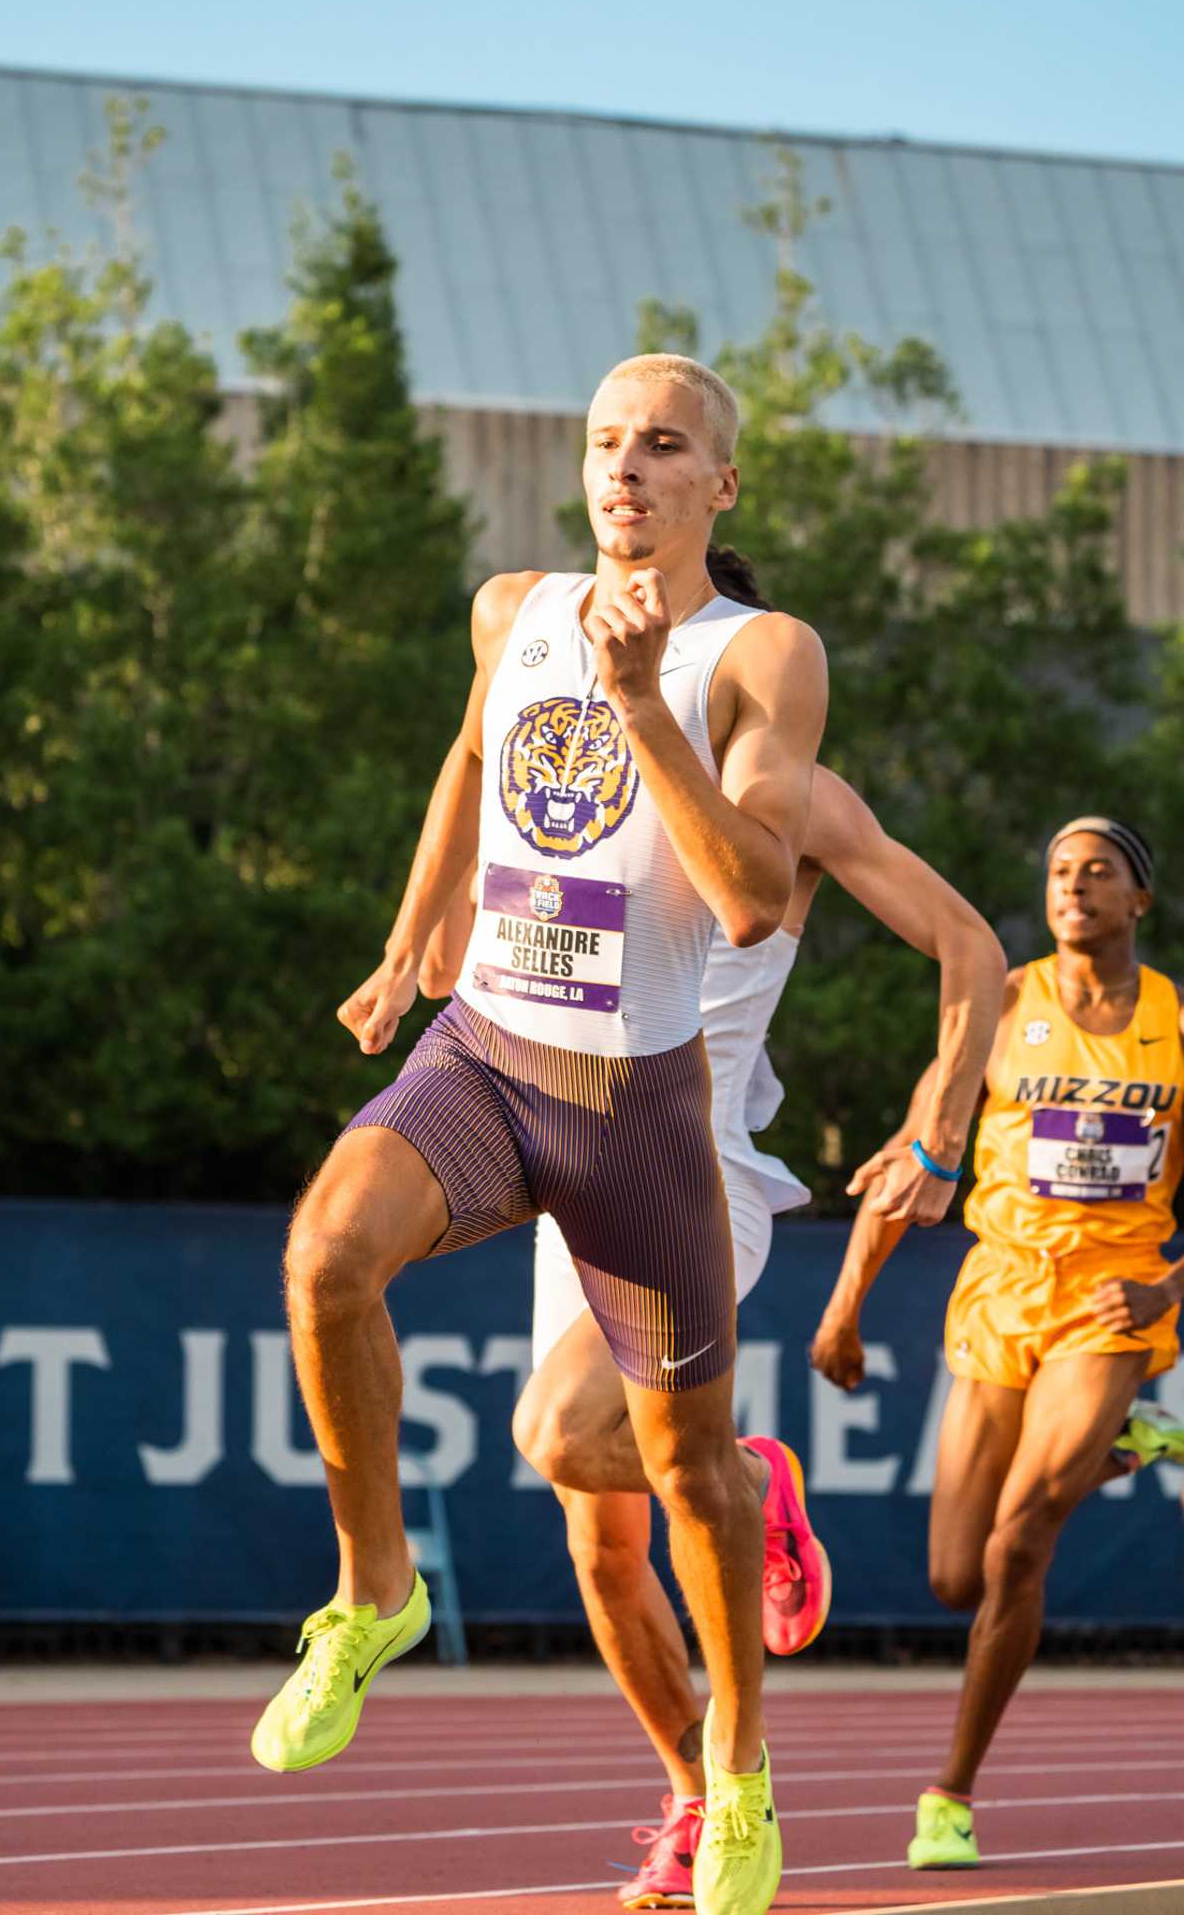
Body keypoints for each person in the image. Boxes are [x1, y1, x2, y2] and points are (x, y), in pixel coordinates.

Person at [251, 352, 829, 1915]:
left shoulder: (754, 654)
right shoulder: (512, 610)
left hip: (639, 1109)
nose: (624, 469)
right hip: (489, 1052)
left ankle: (741, 1772)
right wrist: (407, 931)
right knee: (321, 1259)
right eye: (602, 444)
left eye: (662, 446)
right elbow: (467, 755)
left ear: (722, 484)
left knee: (685, 1476)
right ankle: (375, 1593)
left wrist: (640, 701)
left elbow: (752, 896)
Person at [419, 648, 1006, 1909]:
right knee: (597, 1538)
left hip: (697, 1163)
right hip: (559, 1164)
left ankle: (742, 1476)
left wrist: (936, 1132)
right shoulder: (571, 765)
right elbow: (496, 846)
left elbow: (969, 947)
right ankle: (697, 1798)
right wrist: (438, 925)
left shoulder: (794, 804)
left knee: (563, 1433)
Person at [812, 817, 1184, 1872]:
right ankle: (1125, 1447)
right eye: (1058, 870)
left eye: (1097, 871)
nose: (1072, 887)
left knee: (1021, 1538)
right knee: (953, 1578)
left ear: (1136, 901)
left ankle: (949, 1793)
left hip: (1109, 1302)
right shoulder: (1003, 1002)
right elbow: (915, 1153)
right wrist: (841, 1308)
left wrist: (1165, 1283)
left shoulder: (1173, 1021)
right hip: (998, 1290)